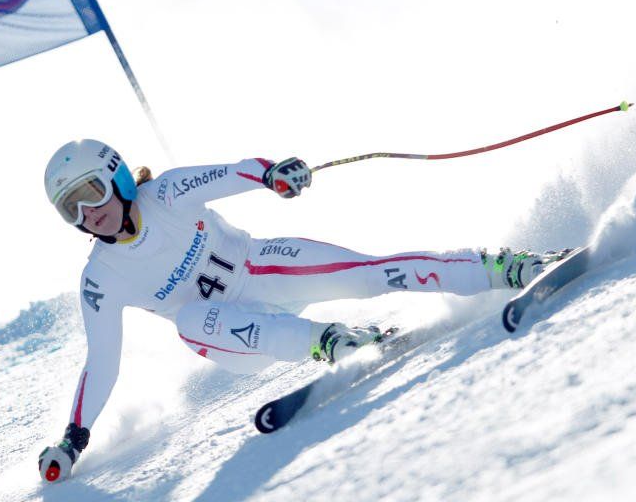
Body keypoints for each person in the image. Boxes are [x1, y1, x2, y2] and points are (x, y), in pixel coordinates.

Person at [37, 139, 566, 482]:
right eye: (70, 209)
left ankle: (511, 267)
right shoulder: (101, 278)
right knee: (190, 321)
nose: (87, 213)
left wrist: (272, 176)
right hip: (236, 336)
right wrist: (73, 438)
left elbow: (236, 172)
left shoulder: (166, 194)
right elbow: (101, 361)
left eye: (91, 193)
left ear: (118, 178)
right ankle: (331, 342)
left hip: (264, 267)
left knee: (373, 272)